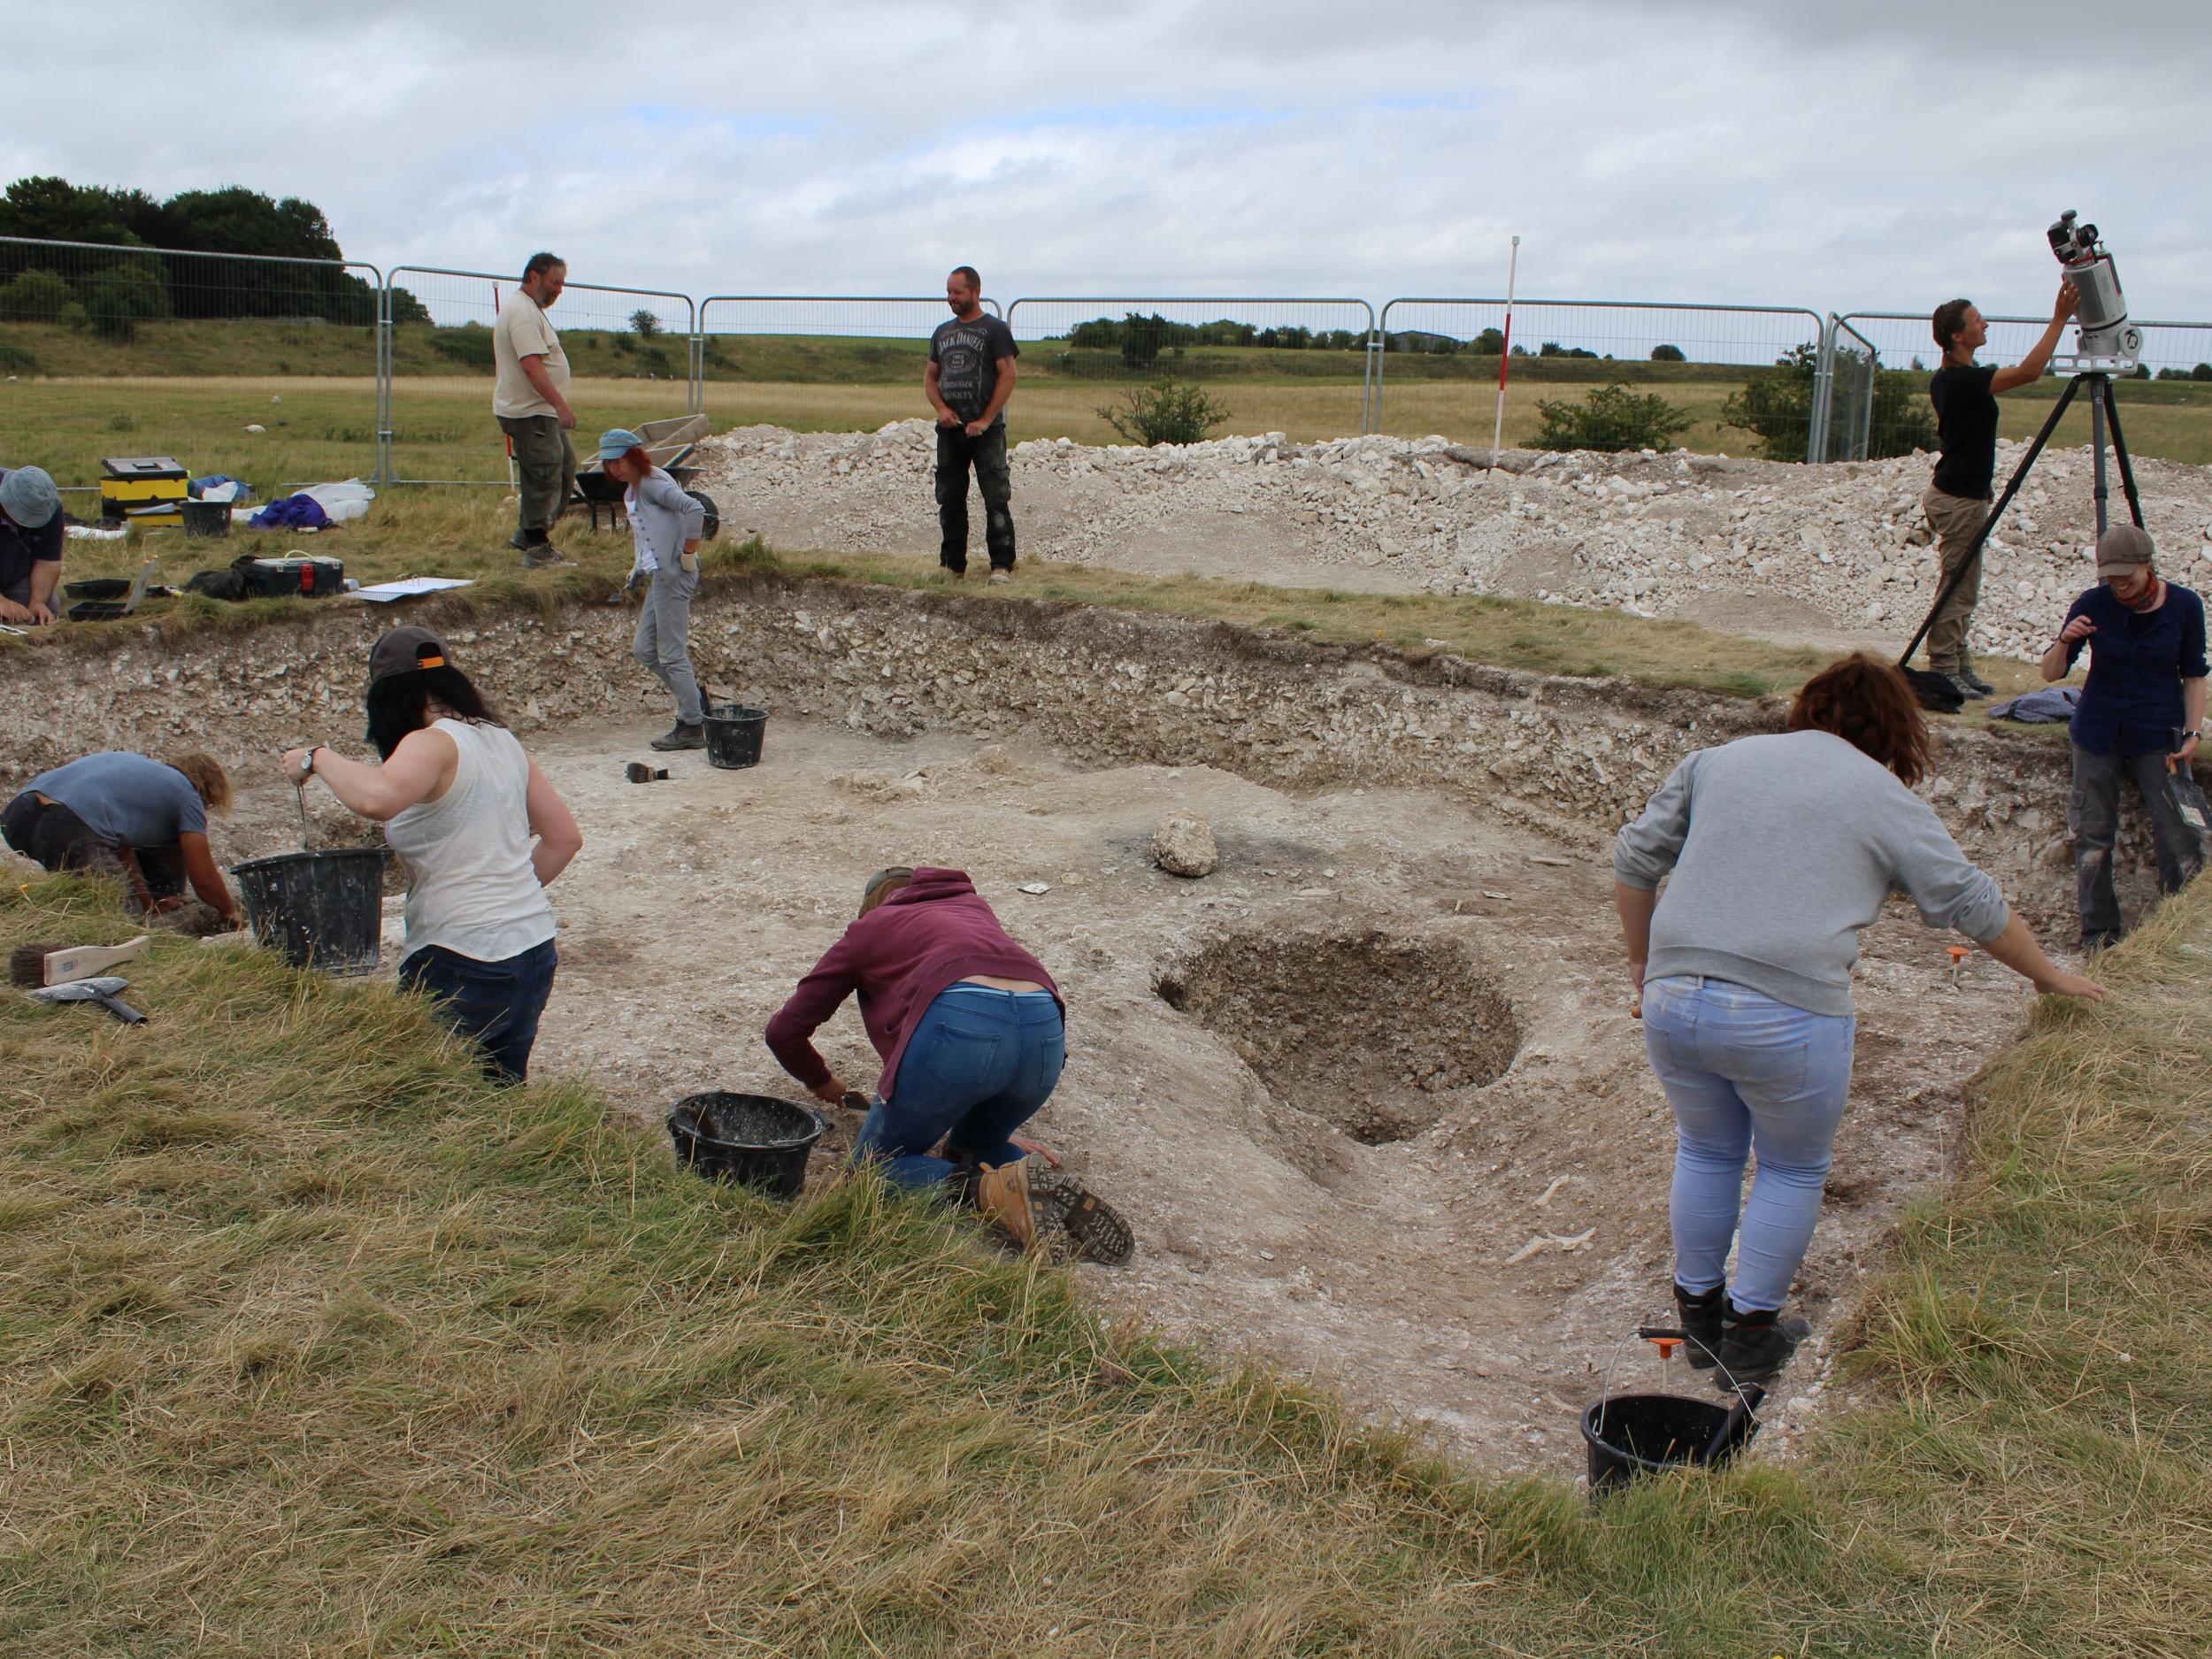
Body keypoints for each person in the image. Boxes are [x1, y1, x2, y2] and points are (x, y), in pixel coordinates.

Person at [1613, 653, 2101, 1388]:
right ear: (1896, 732)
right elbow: (1971, 902)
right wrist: (2050, 974)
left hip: (1676, 1000)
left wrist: (1643, 966)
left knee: (1708, 1150)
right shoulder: (1881, 794)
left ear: (1809, 708)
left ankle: (1700, 1324)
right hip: (1788, 1009)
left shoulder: (1717, 760)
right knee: (1791, 1164)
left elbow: (1635, 857)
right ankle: (1750, 1337)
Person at [764, 865, 1132, 1263]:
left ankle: (990, 1191)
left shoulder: (871, 928)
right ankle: (1028, 1178)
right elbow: (1001, 1014)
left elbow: (784, 1032)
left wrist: (823, 1081)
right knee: (973, 1147)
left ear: (873, 904)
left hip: (961, 1025)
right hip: (1044, 1032)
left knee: (874, 1171)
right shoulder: (974, 910)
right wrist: (998, 1131)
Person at [280, 627, 581, 1082]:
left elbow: (378, 798)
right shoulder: (501, 740)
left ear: (389, 698)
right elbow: (564, 839)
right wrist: (502, 898)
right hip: (533, 950)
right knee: (497, 1094)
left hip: (462, 955)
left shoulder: (430, 742)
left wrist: (316, 757)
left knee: (424, 1097)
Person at [2040, 522, 2207, 949]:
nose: (2119, 587)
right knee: (2092, 835)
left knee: (2179, 834)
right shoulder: (2093, 603)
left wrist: (2192, 732)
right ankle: (2099, 935)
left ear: (2147, 566)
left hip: (2158, 730)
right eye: (2111, 578)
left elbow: (2193, 675)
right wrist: (2065, 640)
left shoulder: (2186, 606)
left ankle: (2178, 935)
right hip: (2098, 730)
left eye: (2126, 578)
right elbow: (2051, 672)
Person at [1920, 281, 2078, 700]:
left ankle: (1958, 663)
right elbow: (2029, 372)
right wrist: (2060, 319)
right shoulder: (1960, 382)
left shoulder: (1955, 378)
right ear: (1958, 334)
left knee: (1964, 585)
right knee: (1957, 587)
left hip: (1960, 495)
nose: (1985, 323)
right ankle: (1943, 669)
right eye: (1977, 320)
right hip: (1959, 500)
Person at [3, 749, 242, 924]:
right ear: (209, 792)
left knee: (89, 903)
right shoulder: (188, 795)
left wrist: (147, 906)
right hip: (70, 822)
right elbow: (203, 878)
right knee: (121, 922)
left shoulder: (138, 774)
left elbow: (121, 851)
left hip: (18, 816)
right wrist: (229, 911)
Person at [600, 427, 709, 750]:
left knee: (672, 654)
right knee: (644, 650)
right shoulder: (635, 488)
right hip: (659, 574)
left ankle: (693, 724)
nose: (612, 469)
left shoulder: (651, 485)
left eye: (617, 461)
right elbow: (647, 534)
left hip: (673, 575)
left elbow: (695, 509)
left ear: (633, 457)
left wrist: (688, 553)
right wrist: (637, 569)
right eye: (607, 464)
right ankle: (693, 700)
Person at [925, 267, 1020, 584]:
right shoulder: (942, 332)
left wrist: (986, 419)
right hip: (951, 431)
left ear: (976, 291)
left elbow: (1008, 375)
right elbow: (930, 377)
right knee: (950, 498)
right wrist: (941, 409)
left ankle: (1001, 565)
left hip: (986, 432)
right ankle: (952, 566)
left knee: (995, 495)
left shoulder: (995, 330)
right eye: (948, 292)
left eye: (958, 292)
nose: (951, 298)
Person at [493, 252, 578, 569]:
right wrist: (560, 404)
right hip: (531, 412)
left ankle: (527, 534)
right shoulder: (523, 314)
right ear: (533, 276)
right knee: (543, 474)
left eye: (562, 283)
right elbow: (531, 365)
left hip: (539, 412)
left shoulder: (528, 310)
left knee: (564, 466)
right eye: (555, 282)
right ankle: (538, 549)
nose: (559, 289)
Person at [0, 464, 63, 626]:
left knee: (50, 605)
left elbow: (48, 562)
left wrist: (37, 602)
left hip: (13, 577)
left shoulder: (49, 506)